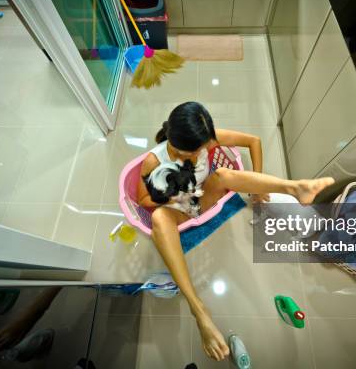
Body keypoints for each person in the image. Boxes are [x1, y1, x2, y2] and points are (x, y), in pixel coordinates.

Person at [137, 102, 334, 361]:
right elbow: (143, 200)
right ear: (174, 146)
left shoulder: (208, 139)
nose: (201, 155)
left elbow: (254, 141)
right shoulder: (154, 160)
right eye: (193, 153)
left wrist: (258, 187)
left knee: (224, 175)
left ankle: (294, 187)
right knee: (160, 219)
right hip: (176, 207)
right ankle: (199, 311)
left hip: (202, 198)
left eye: (204, 148)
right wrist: (172, 194)